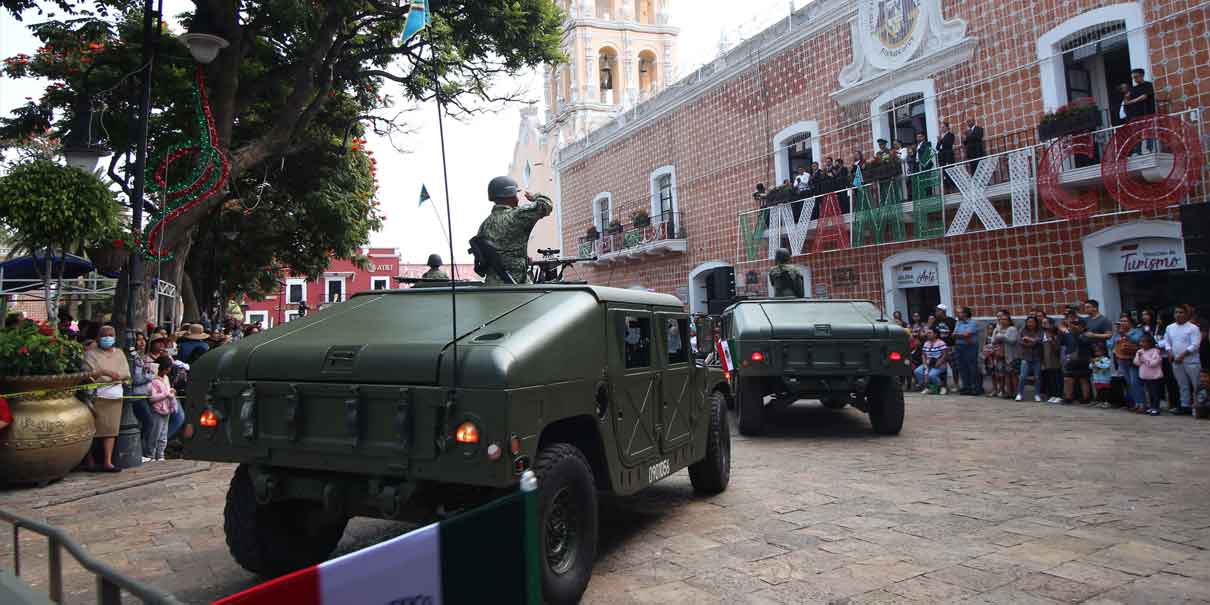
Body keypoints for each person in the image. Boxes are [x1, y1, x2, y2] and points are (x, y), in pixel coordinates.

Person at [475, 175, 553, 285]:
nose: (517, 198)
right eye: (516, 194)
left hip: (492, 285)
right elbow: (545, 205)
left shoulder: (485, 224)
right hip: (515, 284)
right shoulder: (517, 216)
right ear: (510, 195)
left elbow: (501, 248)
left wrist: (521, 258)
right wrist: (535, 196)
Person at [83, 325, 131, 472]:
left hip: (115, 396)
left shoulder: (120, 353)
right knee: (92, 429)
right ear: (98, 337)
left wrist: (117, 376)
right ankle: (89, 460)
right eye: (104, 335)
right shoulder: (90, 354)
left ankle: (107, 461)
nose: (107, 338)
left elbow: (126, 374)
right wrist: (104, 372)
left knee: (111, 430)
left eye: (110, 335)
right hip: (96, 396)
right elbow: (88, 374)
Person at [1161, 304, 1202, 415]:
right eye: (1176, 312)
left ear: (1186, 314)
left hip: (1191, 361)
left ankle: (1200, 406)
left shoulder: (1193, 328)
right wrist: (1169, 352)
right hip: (1176, 360)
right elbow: (1167, 342)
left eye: (1181, 312)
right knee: (1182, 384)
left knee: (1196, 384)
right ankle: (1185, 406)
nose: (1178, 315)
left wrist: (1183, 355)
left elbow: (1195, 345)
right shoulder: (1170, 327)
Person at [127, 332, 158, 463]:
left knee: (146, 423)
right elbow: (135, 379)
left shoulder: (139, 357)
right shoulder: (133, 357)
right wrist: (150, 376)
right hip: (136, 396)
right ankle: (141, 451)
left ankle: (143, 451)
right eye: (138, 340)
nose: (142, 342)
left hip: (143, 394)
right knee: (148, 422)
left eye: (143, 339)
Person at [146, 356, 177, 462]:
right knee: (155, 433)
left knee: (163, 435)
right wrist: (166, 394)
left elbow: (168, 391)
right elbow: (152, 398)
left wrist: (171, 394)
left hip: (167, 409)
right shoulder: (153, 380)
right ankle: (151, 455)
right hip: (157, 410)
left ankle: (160, 455)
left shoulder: (166, 378)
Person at [1110, 316, 1144, 411]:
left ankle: (1141, 403)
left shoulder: (1137, 331)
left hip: (1133, 359)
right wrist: (1117, 337)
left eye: (1125, 321)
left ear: (1130, 323)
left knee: (1135, 382)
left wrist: (1126, 335)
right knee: (1129, 382)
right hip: (1121, 359)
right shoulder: (1117, 333)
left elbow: (1138, 341)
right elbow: (1109, 344)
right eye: (1121, 321)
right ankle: (1134, 403)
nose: (1122, 323)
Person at [1061, 318, 1093, 405]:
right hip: (1071, 359)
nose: (1074, 326)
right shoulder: (1068, 334)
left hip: (1083, 359)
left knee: (1083, 379)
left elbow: (1084, 342)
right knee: (1068, 378)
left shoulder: (1086, 335)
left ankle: (1086, 398)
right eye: (1073, 324)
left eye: (1077, 325)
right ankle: (1068, 398)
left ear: (1083, 327)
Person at [990, 311, 1019, 399]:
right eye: (1001, 319)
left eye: (1005, 319)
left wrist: (1002, 336)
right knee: (1005, 374)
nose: (1002, 321)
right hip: (1000, 354)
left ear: (1009, 321)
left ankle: (1016, 392)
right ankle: (1008, 392)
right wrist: (998, 335)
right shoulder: (997, 328)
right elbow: (993, 341)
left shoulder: (1012, 329)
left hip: (1010, 354)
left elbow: (1012, 340)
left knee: (1013, 374)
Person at [1135, 333, 1165, 416]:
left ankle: (1156, 407)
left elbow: (1153, 363)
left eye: (1144, 342)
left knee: (1155, 393)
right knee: (1148, 393)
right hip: (1144, 376)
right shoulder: (1139, 351)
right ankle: (1151, 407)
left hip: (1154, 376)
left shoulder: (1156, 351)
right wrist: (1139, 357)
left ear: (1150, 343)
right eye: (1141, 342)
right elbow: (1136, 362)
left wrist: (1144, 357)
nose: (1141, 344)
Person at [953, 307, 981, 395]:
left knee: (972, 367)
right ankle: (966, 387)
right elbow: (954, 334)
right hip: (959, 346)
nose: (957, 314)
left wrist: (960, 335)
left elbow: (967, 334)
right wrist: (962, 335)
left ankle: (975, 388)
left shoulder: (973, 322)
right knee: (962, 367)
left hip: (970, 347)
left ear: (965, 314)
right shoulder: (958, 322)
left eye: (959, 312)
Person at [915, 327, 949, 395]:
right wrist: (924, 364)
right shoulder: (926, 343)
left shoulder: (941, 343)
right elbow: (923, 355)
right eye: (927, 333)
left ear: (935, 334)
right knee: (918, 371)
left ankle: (942, 387)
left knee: (932, 375)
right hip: (928, 363)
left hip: (939, 364)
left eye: (930, 333)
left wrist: (939, 363)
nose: (928, 334)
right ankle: (928, 387)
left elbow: (945, 355)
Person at [1016, 316, 1043, 402]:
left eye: (1032, 322)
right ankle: (1019, 393)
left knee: (1037, 377)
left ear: (1036, 323)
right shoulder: (1023, 330)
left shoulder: (1040, 331)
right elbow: (1020, 341)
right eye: (1029, 322)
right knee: (1023, 376)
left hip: (1037, 357)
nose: (1030, 324)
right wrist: (1031, 342)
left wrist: (1028, 340)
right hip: (1026, 356)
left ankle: (1037, 394)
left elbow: (1039, 341)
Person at [1041, 317, 1064, 404]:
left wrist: (1051, 340)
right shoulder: (1042, 334)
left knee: (1057, 377)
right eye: (1043, 323)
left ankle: (1059, 395)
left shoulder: (1056, 334)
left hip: (1055, 359)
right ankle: (1053, 394)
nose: (1044, 324)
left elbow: (1058, 348)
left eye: (1046, 323)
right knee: (1050, 378)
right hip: (1046, 359)